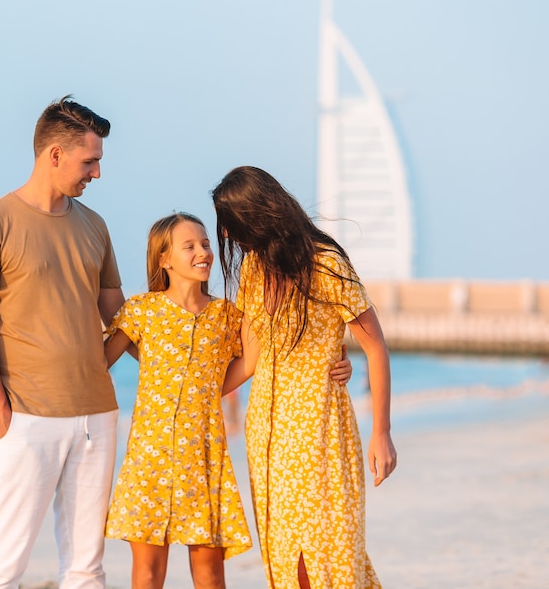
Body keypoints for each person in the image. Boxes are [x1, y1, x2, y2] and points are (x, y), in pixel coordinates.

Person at [103, 212, 354, 589]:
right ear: (164, 259)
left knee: (209, 576)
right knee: (148, 574)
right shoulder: (142, 311)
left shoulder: (227, 316)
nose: (203, 252)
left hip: (205, 460)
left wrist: (338, 355)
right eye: (189, 246)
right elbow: (97, 362)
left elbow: (255, 360)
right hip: (149, 461)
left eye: (205, 244)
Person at [0, 96, 126, 589]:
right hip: (25, 419)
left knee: (85, 568)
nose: (96, 174)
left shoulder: (95, 226)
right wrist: (1, 414)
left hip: (97, 417)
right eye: (89, 161)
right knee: (5, 565)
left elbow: (121, 316)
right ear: (54, 154)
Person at [214, 166, 398, 589]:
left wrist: (381, 433)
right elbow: (251, 359)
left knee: (330, 552)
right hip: (268, 437)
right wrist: (196, 391)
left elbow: (375, 348)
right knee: (283, 557)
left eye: (231, 225)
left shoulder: (327, 264)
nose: (226, 237)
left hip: (321, 431)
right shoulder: (254, 271)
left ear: (256, 216)